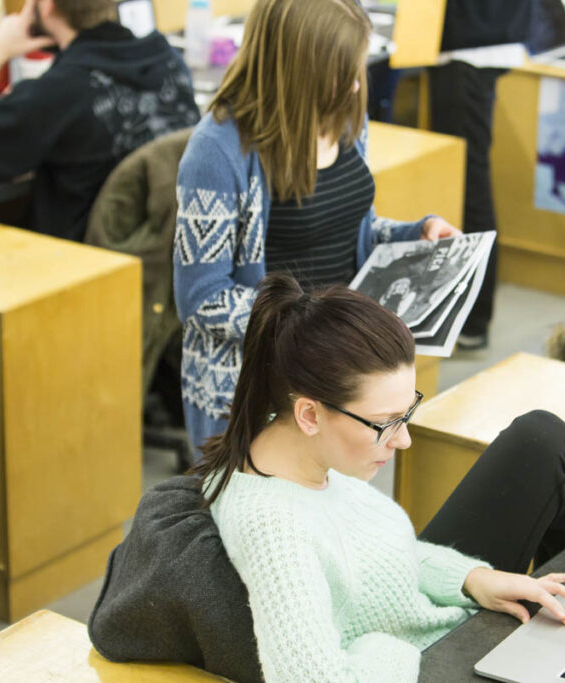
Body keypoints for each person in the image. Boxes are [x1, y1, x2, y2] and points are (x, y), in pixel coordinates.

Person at [192, 272, 565, 681]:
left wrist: (472, 577)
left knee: (541, 438)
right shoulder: (275, 530)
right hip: (426, 662)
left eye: (407, 413)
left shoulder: (301, 451)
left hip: (438, 621)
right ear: (310, 414)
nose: (403, 441)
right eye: (385, 423)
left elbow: (373, 554)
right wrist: (398, 646)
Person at [173, 0, 458, 452]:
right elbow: (201, 299)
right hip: (259, 385)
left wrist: (413, 234)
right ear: (296, 68)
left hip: (342, 363)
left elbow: (344, 228)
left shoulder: (346, 114)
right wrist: (307, 320)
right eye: (341, 70)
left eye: (357, 68)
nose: (355, 83)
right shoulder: (218, 150)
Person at [0, 0, 199, 242]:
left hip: (85, 260)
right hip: (162, 249)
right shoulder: (168, 60)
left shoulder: (56, 91)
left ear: (46, 6)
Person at [429, 0, 565, 350]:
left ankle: (474, 315)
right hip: (479, 40)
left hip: (471, 44)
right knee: (467, 181)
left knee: (469, 184)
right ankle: (470, 312)